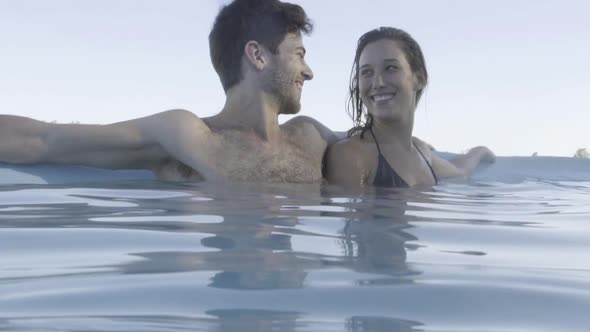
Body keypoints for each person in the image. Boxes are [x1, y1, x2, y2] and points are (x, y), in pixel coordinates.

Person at [0, 0, 338, 183]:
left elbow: (384, 138)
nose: (309, 72)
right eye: (299, 54)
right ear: (258, 55)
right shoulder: (186, 136)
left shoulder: (313, 137)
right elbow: (43, 139)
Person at [326, 27, 495, 188]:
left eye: (390, 68)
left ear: (419, 78)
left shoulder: (422, 153)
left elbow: (459, 170)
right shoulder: (352, 155)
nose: (377, 83)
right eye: (366, 72)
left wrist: (480, 151)